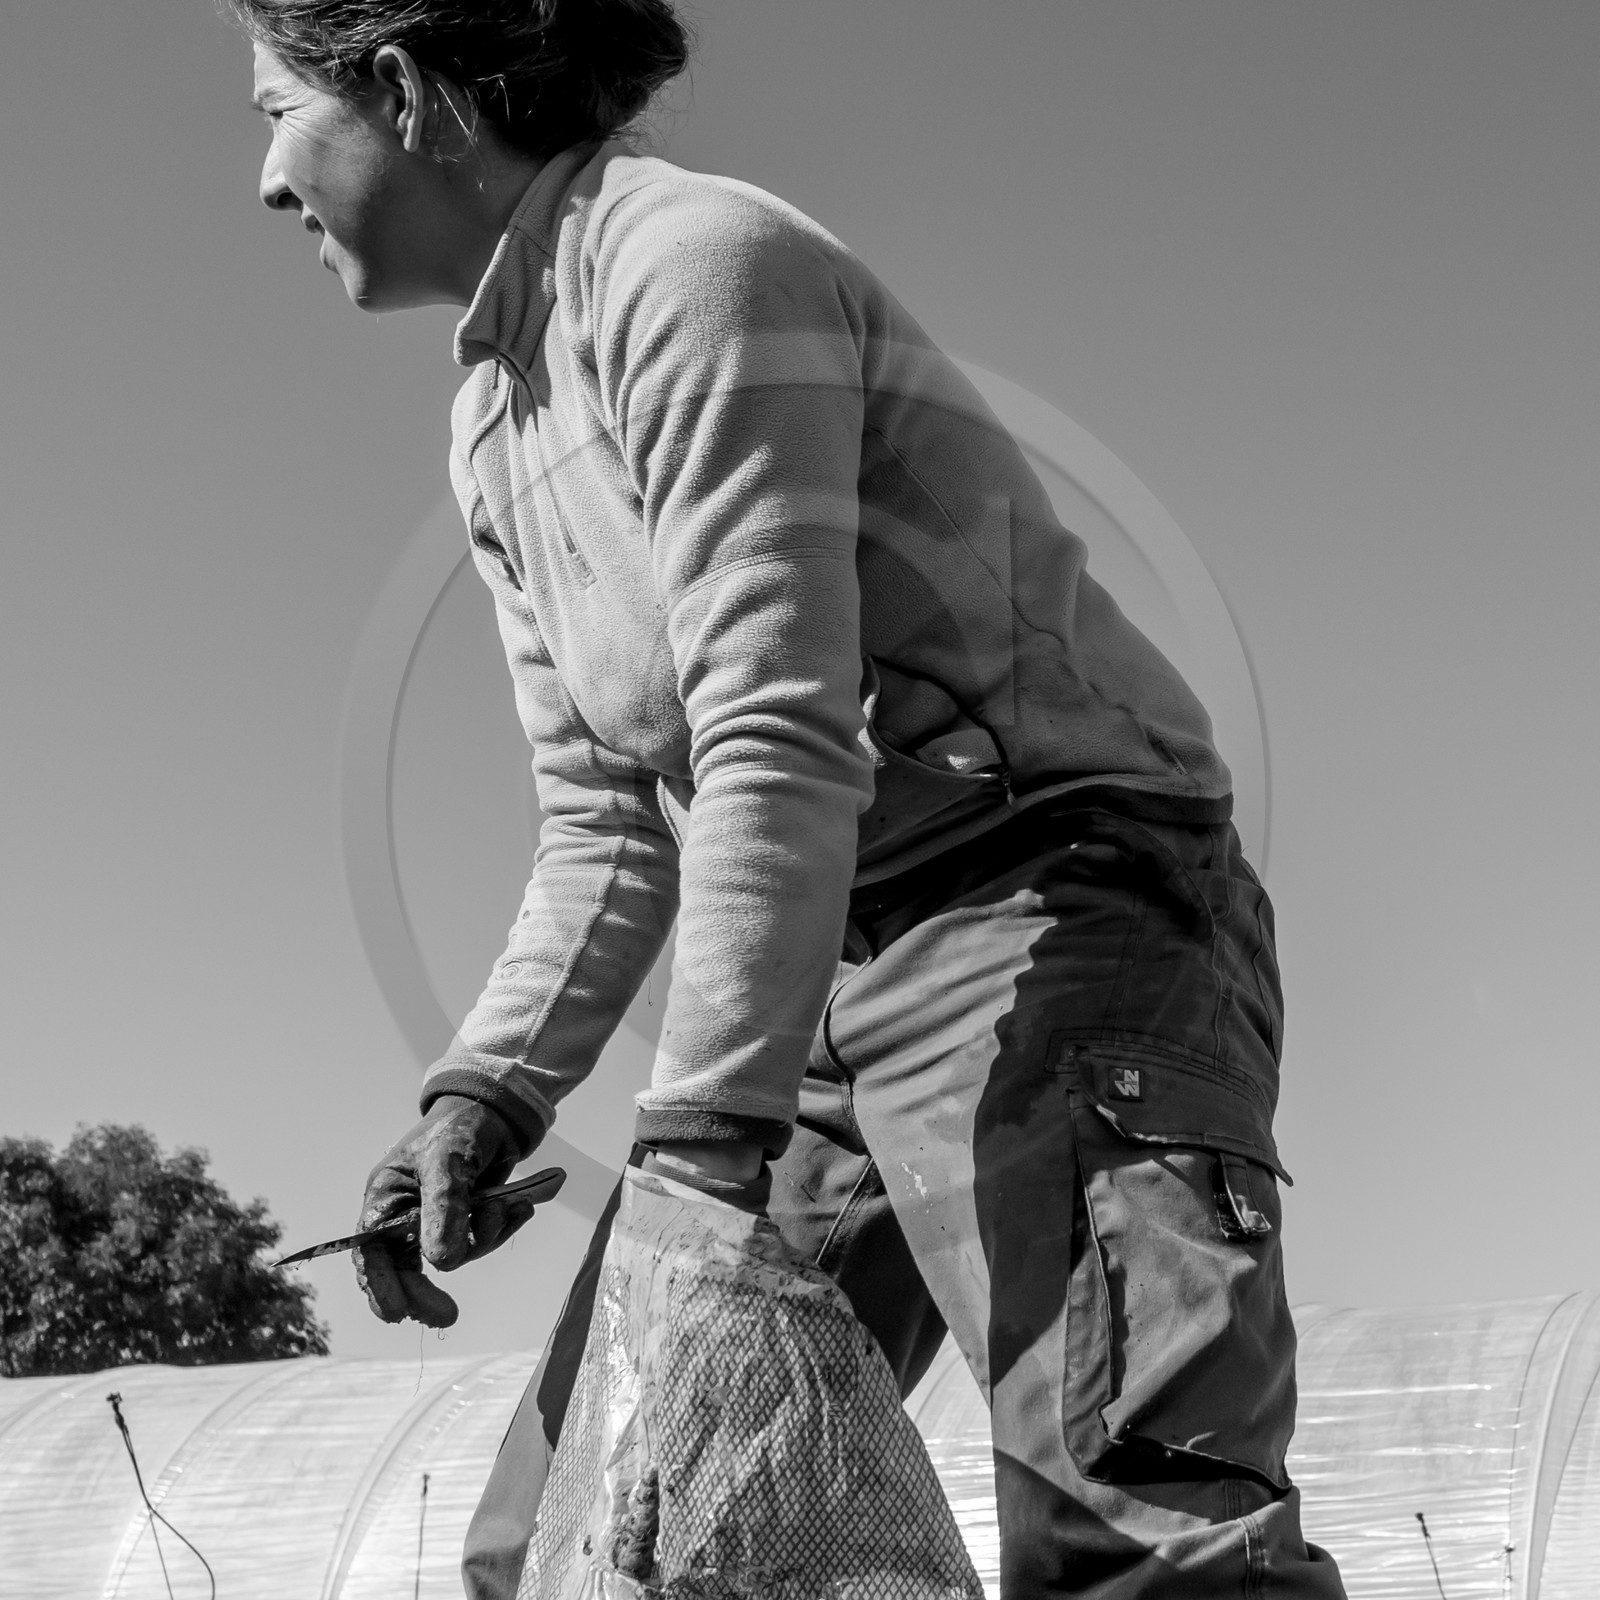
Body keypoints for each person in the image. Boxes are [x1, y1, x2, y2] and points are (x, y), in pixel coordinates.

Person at [240, 1, 1347, 1594]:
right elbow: (609, 817)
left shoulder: (692, 265)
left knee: (1137, 1549)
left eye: (273, 113)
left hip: (1047, 905)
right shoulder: (494, 418)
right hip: (814, 959)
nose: (267, 180)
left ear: (404, 93)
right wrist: (480, 1096)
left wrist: (695, 1153)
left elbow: (778, 729)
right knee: (578, 1540)